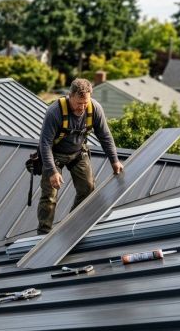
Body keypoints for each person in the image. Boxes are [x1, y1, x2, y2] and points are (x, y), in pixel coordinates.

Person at [37, 78, 123, 234]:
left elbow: (105, 136)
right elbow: (45, 143)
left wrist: (114, 161)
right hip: (55, 154)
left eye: (85, 103)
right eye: (78, 103)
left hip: (77, 153)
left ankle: (70, 225)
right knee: (49, 196)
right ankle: (44, 233)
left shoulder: (94, 109)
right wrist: (51, 171)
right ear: (70, 96)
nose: (82, 108)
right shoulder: (55, 112)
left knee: (88, 189)